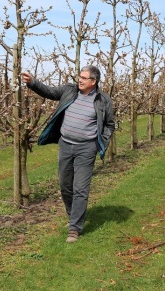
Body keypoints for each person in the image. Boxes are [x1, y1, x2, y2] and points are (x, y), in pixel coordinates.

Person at [21, 66, 115, 243]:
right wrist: (33, 83)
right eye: (79, 76)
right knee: (65, 185)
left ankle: (74, 228)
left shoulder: (103, 100)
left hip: (86, 149)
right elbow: (49, 92)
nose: (79, 80)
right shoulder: (69, 91)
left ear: (93, 82)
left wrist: (101, 143)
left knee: (80, 188)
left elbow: (110, 124)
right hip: (65, 145)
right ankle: (74, 216)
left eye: (84, 78)